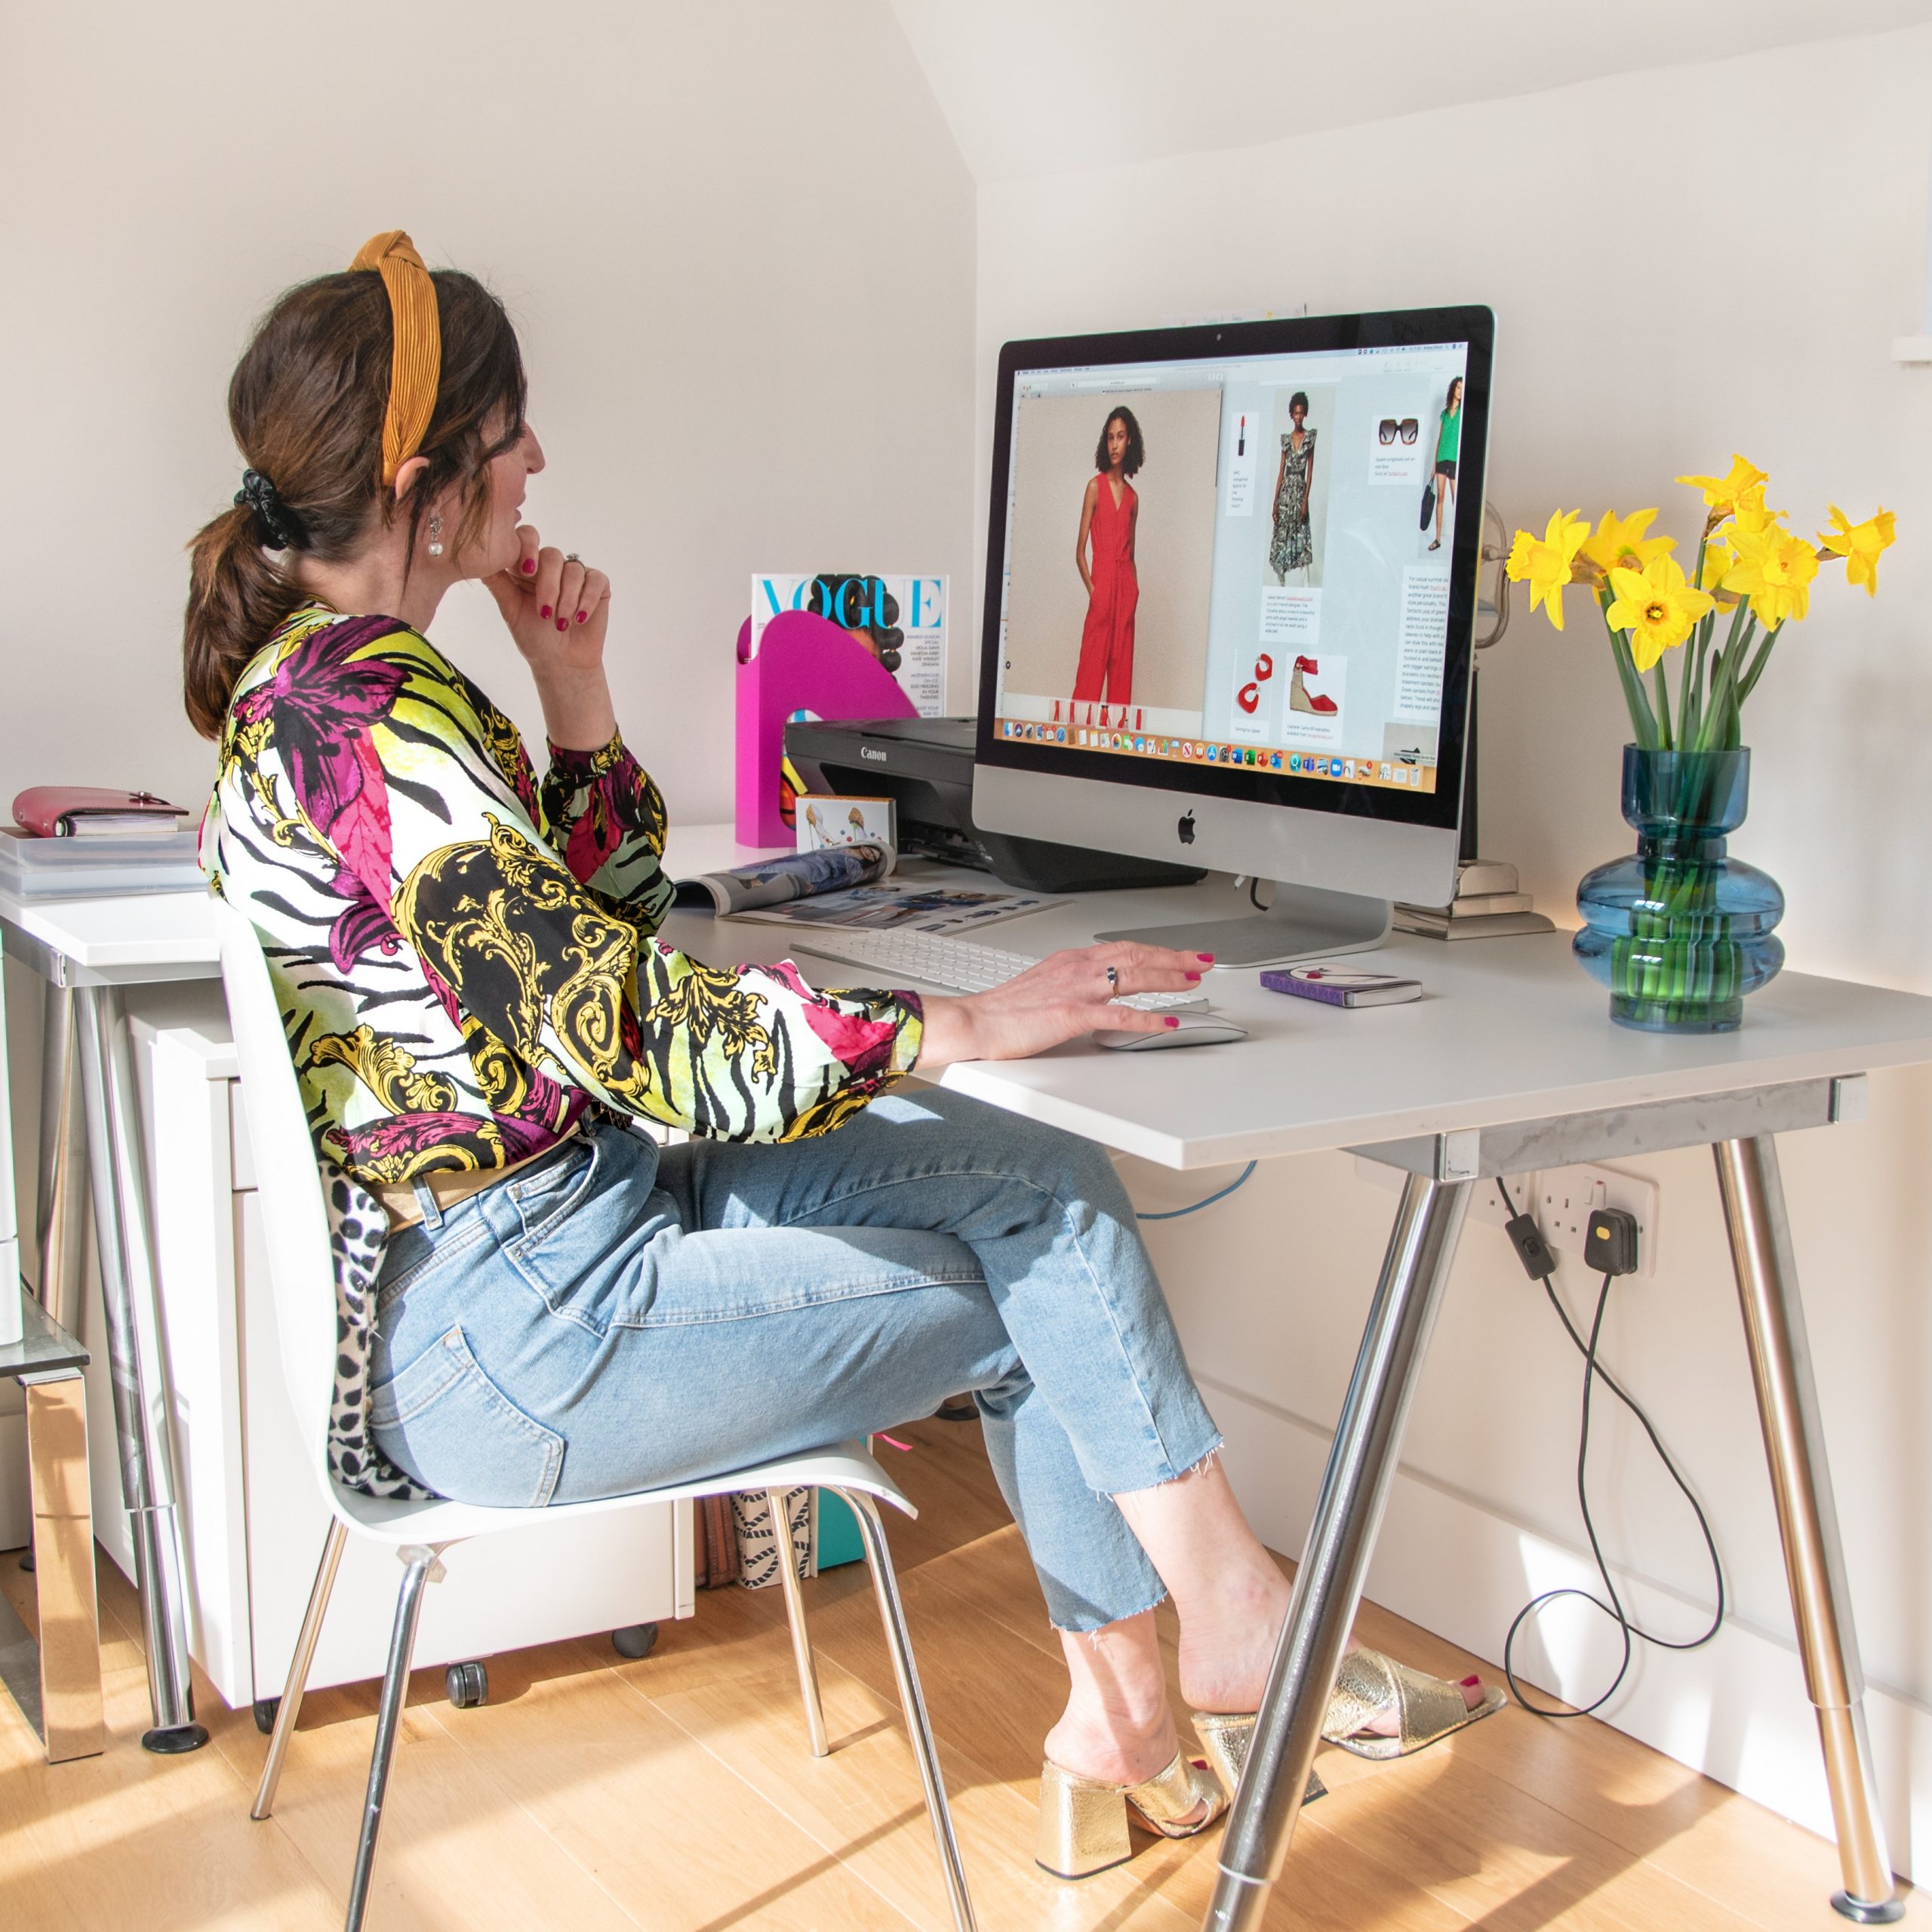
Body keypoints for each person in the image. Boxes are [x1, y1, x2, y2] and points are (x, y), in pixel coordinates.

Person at [186, 234, 1499, 1882]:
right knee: (1042, 1287)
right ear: (425, 489)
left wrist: (575, 690)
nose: (538, 462)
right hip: (526, 1334)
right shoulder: (369, 717)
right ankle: (1200, 1653)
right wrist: (968, 1019)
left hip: (557, 1235)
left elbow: (592, 943)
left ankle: (1166, 1684)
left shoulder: (330, 687)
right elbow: (628, 1030)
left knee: (1039, 1184)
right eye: (511, 435)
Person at [1072, 406, 1141, 720]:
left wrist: (1134, 591)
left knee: (1121, 678)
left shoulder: (1133, 499)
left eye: (1120, 437)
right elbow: (1079, 551)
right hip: (1102, 588)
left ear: (1130, 441)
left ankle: (1115, 742)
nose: (1114, 444)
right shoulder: (1094, 488)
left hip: (1126, 591)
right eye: (1110, 437)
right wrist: (1094, 590)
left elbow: (1132, 555)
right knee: (1089, 674)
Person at [1268, 391, 1318, 583]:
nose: (1298, 417)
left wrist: (1305, 502)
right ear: (1291, 414)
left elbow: (1310, 474)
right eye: (1295, 413)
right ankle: (1280, 585)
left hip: (1299, 493)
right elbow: (1281, 473)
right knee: (1281, 538)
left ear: (1305, 414)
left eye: (1301, 413)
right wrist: (1275, 503)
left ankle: (1306, 588)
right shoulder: (1286, 440)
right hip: (1285, 494)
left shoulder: (1310, 437)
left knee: (1302, 538)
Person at [1430, 376, 1463, 552]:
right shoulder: (1445, 413)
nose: (1460, 391)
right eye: (1458, 388)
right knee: (1440, 498)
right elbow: (1440, 438)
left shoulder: (1463, 412)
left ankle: (1460, 540)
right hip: (1442, 458)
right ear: (1453, 389)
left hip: (1455, 459)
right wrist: (1434, 465)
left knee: (1456, 498)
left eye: (1462, 388)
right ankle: (1438, 538)